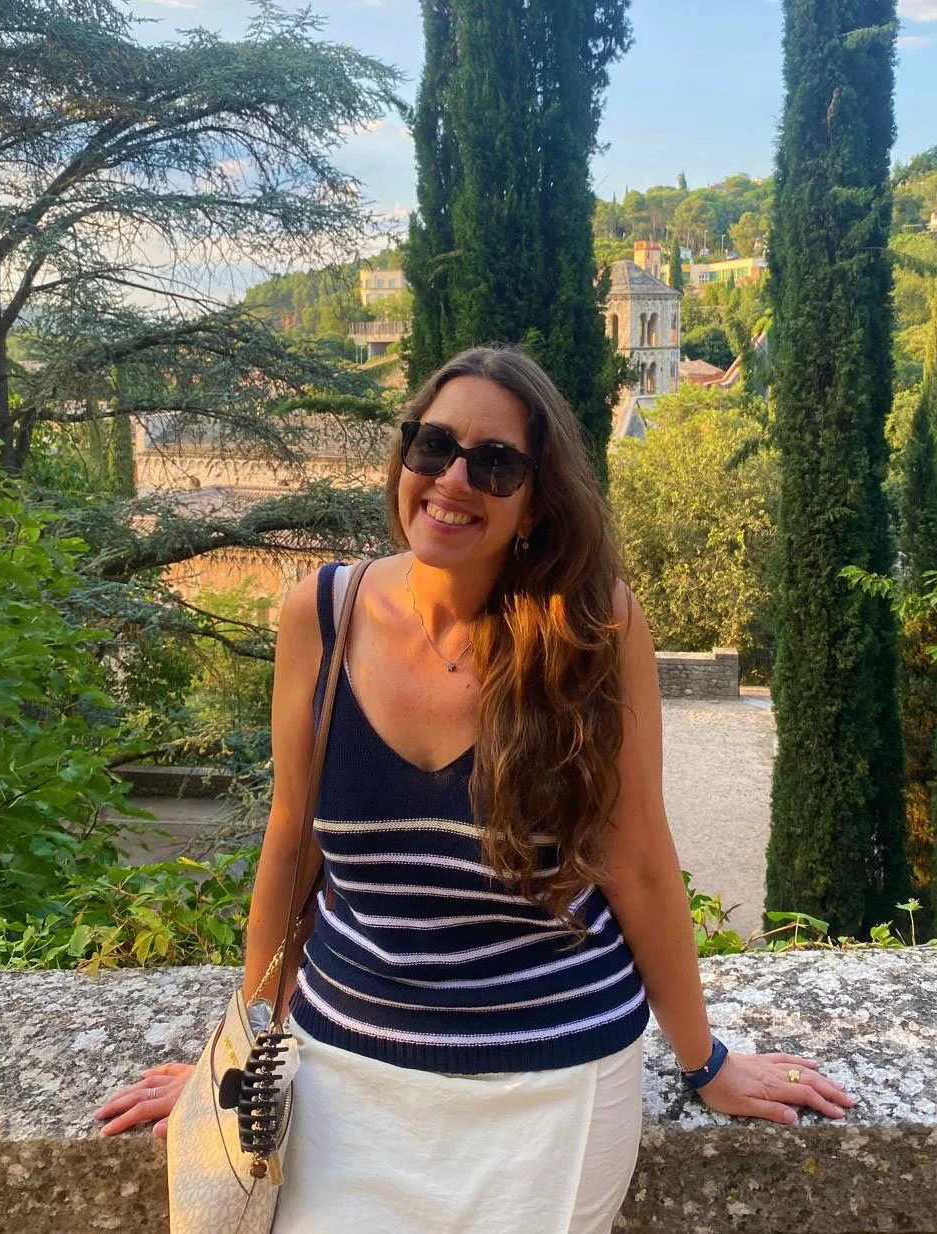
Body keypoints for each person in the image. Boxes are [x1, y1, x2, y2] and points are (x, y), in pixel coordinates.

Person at [96, 346, 855, 1233]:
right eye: (433, 446)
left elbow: (640, 860)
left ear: (535, 502)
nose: (454, 479)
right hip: (345, 1071)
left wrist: (705, 1059)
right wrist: (242, 1055)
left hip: (553, 1080)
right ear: (405, 456)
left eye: (494, 463)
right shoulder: (324, 615)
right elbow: (293, 841)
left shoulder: (592, 628)